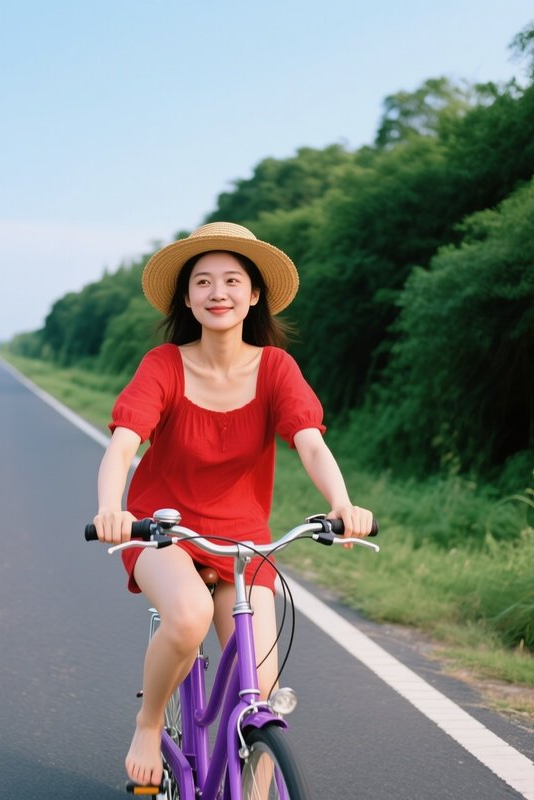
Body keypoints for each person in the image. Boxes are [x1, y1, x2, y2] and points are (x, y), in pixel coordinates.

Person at [92, 221, 374, 787]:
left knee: (260, 695)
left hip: (242, 538)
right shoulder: (164, 365)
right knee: (190, 616)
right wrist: (112, 509)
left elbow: (310, 443)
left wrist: (343, 504)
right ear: (188, 297)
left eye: (231, 280)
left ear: (253, 295)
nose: (217, 292)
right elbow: (124, 445)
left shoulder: (275, 368)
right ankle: (149, 724)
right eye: (202, 281)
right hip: (163, 530)